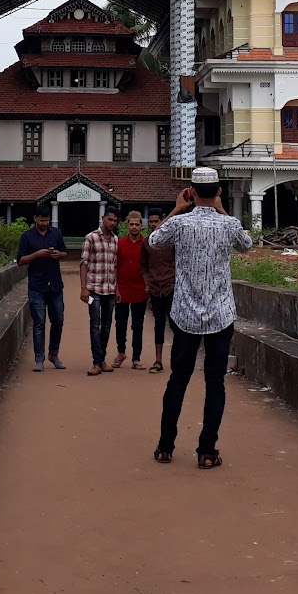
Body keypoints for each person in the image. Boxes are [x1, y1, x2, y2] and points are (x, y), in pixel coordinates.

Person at [147, 167, 251, 468]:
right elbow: (247, 245)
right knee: (215, 382)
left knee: (178, 379)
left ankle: (165, 447)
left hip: (185, 314)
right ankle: (207, 451)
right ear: (218, 191)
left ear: (190, 192)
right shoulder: (228, 224)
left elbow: (154, 241)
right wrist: (222, 210)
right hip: (220, 314)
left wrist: (177, 208)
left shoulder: (179, 223)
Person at [15, 207, 68, 372]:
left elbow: (65, 252)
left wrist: (59, 254)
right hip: (37, 285)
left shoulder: (56, 233)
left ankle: (54, 353)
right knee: (39, 323)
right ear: (35, 218)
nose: (45, 223)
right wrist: (36, 255)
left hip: (55, 285)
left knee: (58, 320)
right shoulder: (27, 236)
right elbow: (20, 260)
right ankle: (39, 359)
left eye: (47, 220)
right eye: (42, 220)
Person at [80, 209, 120, 376]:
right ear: (103, 219)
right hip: (94, 289)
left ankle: (102, 358)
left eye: (115, 220)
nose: (112, 223)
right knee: (94, 325)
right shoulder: (91, 237)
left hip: (110, 290)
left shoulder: (115, 240)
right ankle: (96, 362)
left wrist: (117, 288)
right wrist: (83, 288)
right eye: (109, 219)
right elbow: (84, 263)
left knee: (106, 326)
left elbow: (115, 266)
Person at [141, 208, 176, 373]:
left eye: (156, 221)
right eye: (151, 222)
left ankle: (177, 360)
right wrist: (147, 284)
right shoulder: (147, 242)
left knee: (175, 324)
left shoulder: (172, 242)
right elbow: (144, 267)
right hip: (155, 288)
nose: (154, 225)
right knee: (159, 324)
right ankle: (158, 360)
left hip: (172, 286)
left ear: (163, 221)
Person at [113, 211, 149, 369]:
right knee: (120, 324)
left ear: (142, 226)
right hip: (122, 289)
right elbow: (114, 266)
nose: (134, 227)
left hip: (140, 289)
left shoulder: (147, 244)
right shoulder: (119, 243)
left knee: (138, 325)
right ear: (127, 226)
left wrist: (149, 286)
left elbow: (149, 266)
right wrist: (115, 288)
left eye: (137, 224)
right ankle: (121, 352)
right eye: (131, 224)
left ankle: (136, 357)